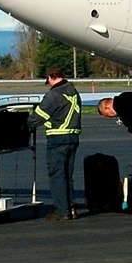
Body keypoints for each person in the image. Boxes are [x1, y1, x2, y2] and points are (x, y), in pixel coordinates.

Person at [29, 66, 82, 220]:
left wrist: (23, 124)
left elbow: (38, 117)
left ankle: (61, 211)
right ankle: (71, 208)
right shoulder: (73, 91)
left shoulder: (54, 95)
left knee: (57, 176)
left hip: (58, 138)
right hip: (73, 138)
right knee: (67, 175)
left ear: (51, 77)